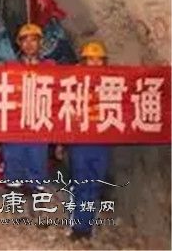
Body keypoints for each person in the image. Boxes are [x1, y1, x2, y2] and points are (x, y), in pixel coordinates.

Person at [2, 23, 54, 194]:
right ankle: (14, 187)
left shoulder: (50, 67)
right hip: (16, 119)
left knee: (37, 153)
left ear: (40, 43)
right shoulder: (10, 67)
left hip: (39, 117)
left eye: (34, 40)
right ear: (19, 43)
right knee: (14, 152)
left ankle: (36, 187)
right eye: (25, 40)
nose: (29, 44)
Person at [68, 41, 111, 241]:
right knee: (80, 183)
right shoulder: (73, 83)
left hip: (100, 142)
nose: (94, 63)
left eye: (98, 60)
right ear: (83, 61)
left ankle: (87, 226)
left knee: (95, 184)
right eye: (90, 59)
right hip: (80, 141)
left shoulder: (112, 83)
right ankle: (78, 226)